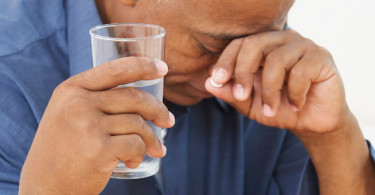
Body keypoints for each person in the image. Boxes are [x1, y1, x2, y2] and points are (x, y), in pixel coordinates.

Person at [0, 0, 374, 194]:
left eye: (268, 34)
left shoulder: (271, 66)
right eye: (210, 45)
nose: (233, 71)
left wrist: (335, 138)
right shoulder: (10, 78)